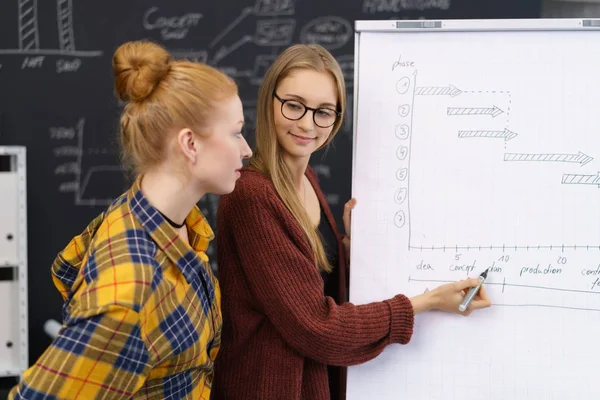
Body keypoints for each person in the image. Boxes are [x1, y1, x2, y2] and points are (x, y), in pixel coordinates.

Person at [212, 43, 491, 400]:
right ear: (270, 101)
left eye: (323, 112)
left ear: (337, 118)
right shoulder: (253, 195)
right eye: (294, 105)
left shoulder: (307, 178)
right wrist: (427, 301)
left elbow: (312, 284)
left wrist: (347, 249)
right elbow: (315, 327)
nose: (307, 124)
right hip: (269, 386)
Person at [9, 40, 252, 399]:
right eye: (235, 132)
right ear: (190, 144)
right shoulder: (132, 288)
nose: (246, 148)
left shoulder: (171, 221)